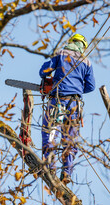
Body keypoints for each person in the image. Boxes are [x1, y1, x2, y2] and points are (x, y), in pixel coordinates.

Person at [39, 33, 95, 185]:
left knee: (50, 134)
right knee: (70, 139)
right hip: (74, 106)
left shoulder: (61, 53)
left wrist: (51, 78)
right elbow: (91, 86)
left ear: (71, 41)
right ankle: (67, 172)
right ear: (83, 46)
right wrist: (75, 87)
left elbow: (43, 71)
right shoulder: (87, 61)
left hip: (58, 101)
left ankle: (50, 167)